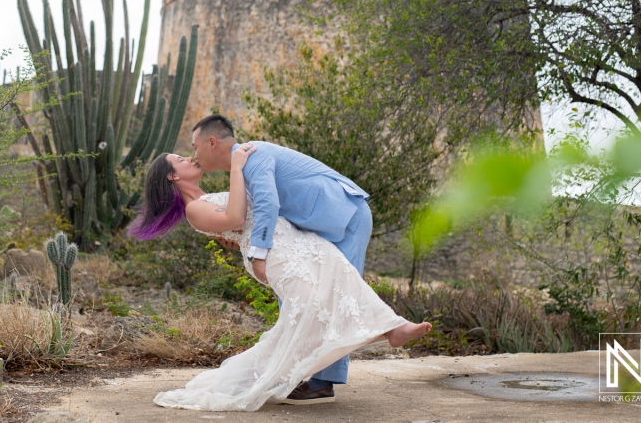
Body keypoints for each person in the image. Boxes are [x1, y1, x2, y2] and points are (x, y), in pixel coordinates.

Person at [130, 144, 432, 412]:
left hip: (299, 241)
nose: (189, 157)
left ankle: (394, 327)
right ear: (173, 176)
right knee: (307, 308)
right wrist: (236, 167)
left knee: (343, 278)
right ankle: (286, 376)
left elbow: (246, 215)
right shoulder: (195, 209)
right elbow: (236, 219)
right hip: (275, 256)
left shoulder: (207, 198)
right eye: (180, 158)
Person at [190, 114, 374, 402]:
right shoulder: (241, 165)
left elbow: (268, 202)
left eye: (195, 146)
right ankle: (300, 373)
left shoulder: (251, 155)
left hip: (344, 215)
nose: (194, 154)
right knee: (300, 298)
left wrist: (258, 254)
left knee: (339, 295)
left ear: (212, 142)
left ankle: (323, 381)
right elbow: (251, 215)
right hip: (317, 224)